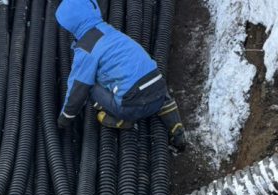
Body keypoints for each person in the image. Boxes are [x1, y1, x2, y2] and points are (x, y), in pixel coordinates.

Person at [55, 0, 187, 151]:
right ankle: (177, 131)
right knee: (150, 84)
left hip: (132, 105)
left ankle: (121, 120)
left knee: (89, 85)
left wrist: (64, 119)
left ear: (71, 23)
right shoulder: (110, 31)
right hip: (159, 90)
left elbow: (77, 90)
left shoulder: (86, 49)